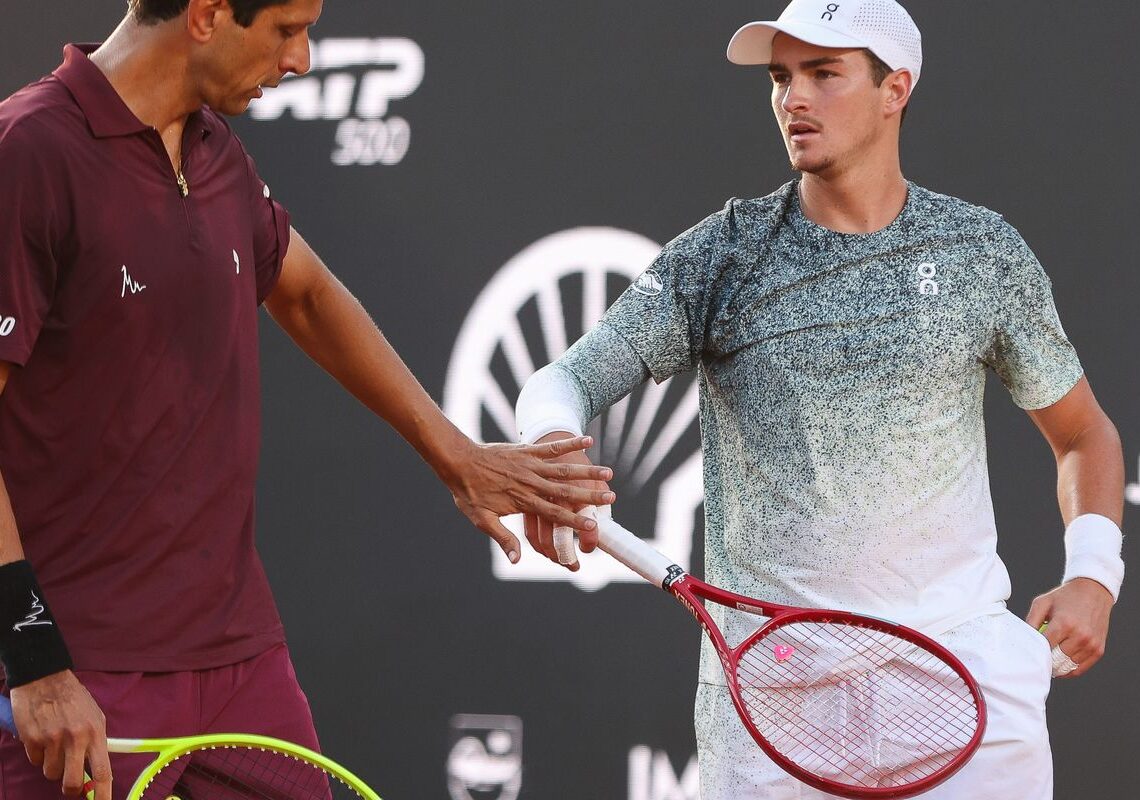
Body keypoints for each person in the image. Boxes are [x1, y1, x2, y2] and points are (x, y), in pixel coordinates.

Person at [0, 1, 619, 797]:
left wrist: (456, 455)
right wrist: (35, 659)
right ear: (208, 14)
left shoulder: (214, 148)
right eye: (287, 29)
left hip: (238, 656)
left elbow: (307, 294)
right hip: (82, 667)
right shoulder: (30, 152)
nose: (302, 60)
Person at [515, 1, 1124, 797]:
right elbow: (562, 381)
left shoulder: (982, 252)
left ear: (894, 88)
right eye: (781, 77)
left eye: (824, 74)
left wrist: (1094, 573)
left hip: (966, 679)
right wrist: (548, 451)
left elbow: (1083, 433)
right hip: (772, 699)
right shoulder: (722, 256)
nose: (792, 99)